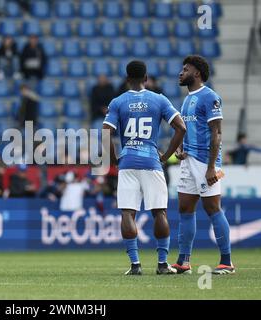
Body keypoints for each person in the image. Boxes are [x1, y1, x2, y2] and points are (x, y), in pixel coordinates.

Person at [102, 60, 186, 275]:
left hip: (128, 161)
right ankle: (161, 264)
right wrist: (166, 156)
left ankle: (135, 265)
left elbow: (105, 132)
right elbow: (181, 127)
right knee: (160, 212)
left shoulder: (118, 102)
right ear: (146, 78)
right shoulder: (159, 99)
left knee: (128, 213)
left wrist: (114, 159)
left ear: (127, 80)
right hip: (151, 161)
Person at [172, 55, 234, 275]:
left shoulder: (210, 97)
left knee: (212, 208)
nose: (181, 72)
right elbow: (188, 129)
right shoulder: (188, 99)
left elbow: (216, 133)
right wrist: (181, 148)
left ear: (196, 73)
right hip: (189, 161)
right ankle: (183, 261)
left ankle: (227, 262)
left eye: (185, 69)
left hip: (206, 161)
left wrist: (210, 167)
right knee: (185, 208)